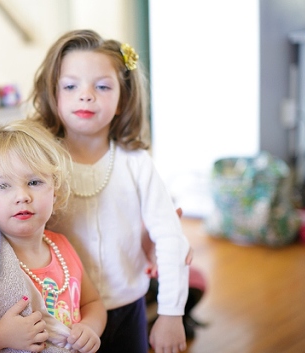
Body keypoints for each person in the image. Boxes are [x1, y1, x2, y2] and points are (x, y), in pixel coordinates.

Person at [31, 29, 190, 353]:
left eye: (102, 86)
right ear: (53, 93)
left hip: (128, 305)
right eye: (71, 85)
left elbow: (171, 238)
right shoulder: (39, 160)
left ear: (122, 101)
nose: (86, 95)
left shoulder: (137, 163)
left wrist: (171, 313)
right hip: (60, 311)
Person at [0, 119, 106, 353]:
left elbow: (92, 303)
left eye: (34, 182)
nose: (22, 196)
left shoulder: (62, 246)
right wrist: (0, 336)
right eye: (3, 186)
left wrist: (89, 327)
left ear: (54, 191)